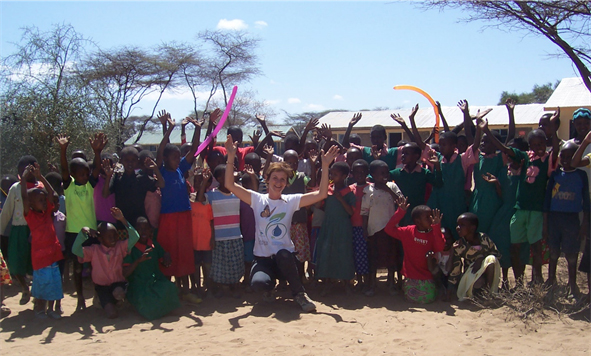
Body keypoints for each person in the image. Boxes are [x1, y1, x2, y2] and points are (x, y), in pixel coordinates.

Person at [224, 134, 339, 312]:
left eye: (282, 179)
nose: (278, 182)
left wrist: (324, 165)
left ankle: (299, 294)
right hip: (263, 259)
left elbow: (321, 194)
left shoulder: (290, 201)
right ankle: (268, 290)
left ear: (286, 183)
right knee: (258, 283)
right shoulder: (257, 199)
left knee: (284, 254)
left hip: (284, 260)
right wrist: (231, 157)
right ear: (267, 179)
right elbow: (230, 185)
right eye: (275, 178)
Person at [481, 113, 560, 285]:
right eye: (535, 144)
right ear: (530, 146)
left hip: (536, 211)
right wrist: (486, 130)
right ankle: (519, 282)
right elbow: (505, 149)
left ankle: (536, 281)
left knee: (536, 248)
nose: (539, 147)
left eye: (542, 144)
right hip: (520, 209)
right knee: (514, 247)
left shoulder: (547, 160)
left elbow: (556, 147)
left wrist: (552, 127)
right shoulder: (524, 157)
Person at [155, 114, 203, 304]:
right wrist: (169, 128)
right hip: (167, 218)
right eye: (174, 157)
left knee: (183, 254)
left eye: (178, 157)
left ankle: (185, 291)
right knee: (168, 254)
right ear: (165, 158)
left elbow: (194, 151)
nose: (177, 160)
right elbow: (160, 150)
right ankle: (168, 291)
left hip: (184, 216)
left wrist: (198, 128)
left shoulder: (180, 169)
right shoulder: (161, 170)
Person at [58, 132, 107, 310]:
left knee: (94, 266)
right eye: (81, 174)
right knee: (78, 268)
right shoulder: (69, 186)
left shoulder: (89, 185)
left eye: (86, 174)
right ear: (72, 174)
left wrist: (97, 153)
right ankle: (80, 298)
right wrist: (63, 150)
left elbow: (96, 169)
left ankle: (96, 294)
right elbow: (63, 169)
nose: (85, 176)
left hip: (92, 231)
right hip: (74, 233)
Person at [72, 207, 139, 319]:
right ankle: (102, 300)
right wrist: (83, 232)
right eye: (109, 237)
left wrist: (122, 219)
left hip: (118, 284)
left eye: (114, 236)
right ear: (100, 239)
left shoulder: (120, 247)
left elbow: (135, 236)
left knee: (119, 292)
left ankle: (118, 300)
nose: (113, 239)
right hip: (102, 287)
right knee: (112, 314)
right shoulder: (93, 250)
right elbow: (76, 250)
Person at [544, 141, 589, 296]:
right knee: (554, 252)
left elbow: (586, 201)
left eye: (571, 156)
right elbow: (547, 200)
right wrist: (545, 224)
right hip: (554, 219)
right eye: (563, 155)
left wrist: (584, 224)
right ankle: (551, 281)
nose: (566, 159)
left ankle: (572, 284)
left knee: (571, 254)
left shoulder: (581, 175)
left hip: (572, 220)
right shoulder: (556, 175)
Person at [21, 163, 64, 318]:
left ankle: (51, 309)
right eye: (40, 200)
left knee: (54, 283)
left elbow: (51, 193)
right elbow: (24, 197)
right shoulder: (30, 216)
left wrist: (40, 177)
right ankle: (40, 309)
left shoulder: (47, 213)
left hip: (53, 254)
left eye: (44, 200)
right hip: (40, 258)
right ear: (31, 205)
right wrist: (24, 180)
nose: (44, 202)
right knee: (41, 285)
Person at [383, 197, 445, 303]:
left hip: (429, 276)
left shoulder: (434, 233)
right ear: (418, 221)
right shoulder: (408, 231)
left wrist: (436, 227)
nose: (432, 219)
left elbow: (440, 247)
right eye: (428, 217)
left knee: (428, 298)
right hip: (411, 276)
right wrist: (400, 212)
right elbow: (388, 229)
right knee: (413, 298)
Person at [123, 217, 180, 320]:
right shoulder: (131, 248)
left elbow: (164, 259)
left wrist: (166, 257)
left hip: (155, 281)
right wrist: (138, 261)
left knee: (170, 288)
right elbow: (125, 273)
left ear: (150, 231)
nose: (143, 232)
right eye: (140, 229)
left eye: (146, 229)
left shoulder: (154, 245)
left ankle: (162, 309)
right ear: (135, 231)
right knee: (147, 301)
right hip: (139, 284)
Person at [0, 156, 39, 304]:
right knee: (15, 264)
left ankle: (37, 294)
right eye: (23, 170)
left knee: (35, 265)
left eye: (29, 169)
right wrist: (1, 230)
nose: (26, 173)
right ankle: (24, 288)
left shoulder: (40, 186)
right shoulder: (15, 188)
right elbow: (7, 212)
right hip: (18, 230)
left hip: (35, 230)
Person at [361, 160, 402, 296]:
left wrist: (388, 190)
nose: (385, 176)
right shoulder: (368, 190)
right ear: (373, 174)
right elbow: (365, 212)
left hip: (391, 229)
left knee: (391, 257)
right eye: (381, 173)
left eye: (386, 172)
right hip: (375, 229)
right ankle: (372, 284)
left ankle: (391, 283)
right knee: (374, 258)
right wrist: (365, 229)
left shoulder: (392, 187)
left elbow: (401, 203)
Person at [315, 162, 355, 295]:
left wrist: (340, 199)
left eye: (335, 174)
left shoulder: (349, 192)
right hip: (328, 225)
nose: (332, 176)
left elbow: (350, 212)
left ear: (344, 176)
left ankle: (345, 283)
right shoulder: (327, 190)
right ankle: (327, 283)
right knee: (327, 253)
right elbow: (320, 205)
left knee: (343, 253)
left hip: (343, 227)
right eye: (331, 173)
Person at [204, 164, 244, 298]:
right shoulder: (211, 195)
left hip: (235, 235)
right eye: (228, 174)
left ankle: (235, 286)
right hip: (219, 237)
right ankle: (221, 288)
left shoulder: (238, 193)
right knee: (220, 265)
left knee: (236, 263)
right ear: (220, 178)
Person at [448, 213, 501, 301]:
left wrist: (480, 259)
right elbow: (456, 270)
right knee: (477, 283)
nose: (458, 228)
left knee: (491, 259)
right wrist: (450, 288)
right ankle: (477, 294)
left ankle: (488, 293)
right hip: (471, 275)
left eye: (462, 225)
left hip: (487, 274)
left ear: (472, 228)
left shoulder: (484, 239)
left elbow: (497, 255)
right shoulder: (460, 246)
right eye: (457, 225)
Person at [282, 149, 317, 279]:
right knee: (284, 252)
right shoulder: (280, 178)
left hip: (299, 221)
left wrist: (313, 164)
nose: (292, 165)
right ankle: (285, 279)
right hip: (284, 222)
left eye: (295, 163)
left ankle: (301, 276)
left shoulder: (302, 177)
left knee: (300, 253)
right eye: (289, 162)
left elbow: (312, 184)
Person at [389, 142, 442, 226]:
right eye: (402, 153)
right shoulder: (397, 173)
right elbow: (381, 176)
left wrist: (437, 166)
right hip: (401, 212)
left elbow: (438, 184)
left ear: (416, 156)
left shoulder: (424, 173)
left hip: (418, 213)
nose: (402, 155)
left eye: (406, 153)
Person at [190, 168, 214, 296]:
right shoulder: (190, 199)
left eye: (202, 181)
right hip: (194, 240)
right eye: (196, 180)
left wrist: (213, 238)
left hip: (206, 240)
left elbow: (212, 221)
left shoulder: (208, 199)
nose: (198, 183)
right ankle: (197, 287)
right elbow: (196, 198)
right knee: (195, 266)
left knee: (207, 266)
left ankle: (208, 287)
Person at [349, 159, 370, 291]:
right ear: (352, 174)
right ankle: (359, 280)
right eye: (356, 172)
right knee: (356, 254)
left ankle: (367, 281)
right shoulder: (350, 189)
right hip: (353, 226)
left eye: (362, 171)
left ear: (367, 172)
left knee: (366, 255)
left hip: (367, 227)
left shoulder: (371, 187)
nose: (360, 174)